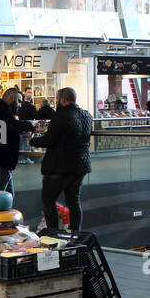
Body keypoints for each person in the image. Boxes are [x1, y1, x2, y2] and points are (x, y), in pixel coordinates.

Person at [31, 87, 92, 231]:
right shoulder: (87, 115)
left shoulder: (61, 116)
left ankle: (53, 234)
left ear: (63, 100)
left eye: (57, 99)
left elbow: (49, 140)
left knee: (48, 200)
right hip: (80, 165)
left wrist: (32, 141)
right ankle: (76, 235)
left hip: (58, 166)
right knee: (74, 202)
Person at [0, 87, 31, 194]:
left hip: (0, 163)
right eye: (19, 101)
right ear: (12, 97)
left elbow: (9, 127)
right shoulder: (1, 109)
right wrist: (29, 126)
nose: (20, 105)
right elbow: (14, 124)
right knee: (0, 199)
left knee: (6, 197)